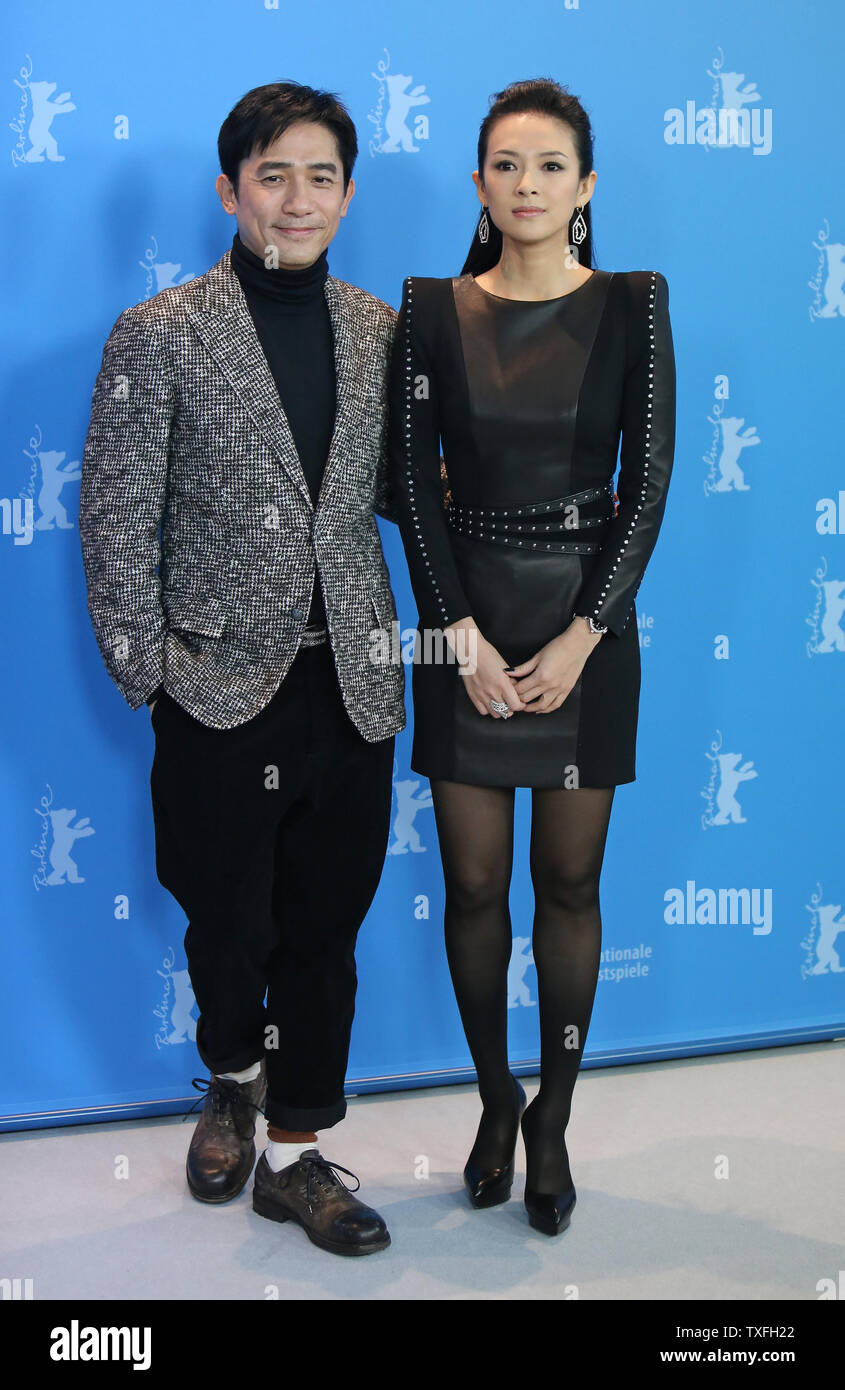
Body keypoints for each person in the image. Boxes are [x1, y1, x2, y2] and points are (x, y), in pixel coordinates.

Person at [79, 81, 406, 1258]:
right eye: (273, 174)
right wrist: (150, 670)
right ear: (231, 191)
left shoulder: (379, 331)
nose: (298, 197)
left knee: (327, 923)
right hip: (216, 684)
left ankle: (298, 1154)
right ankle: (231, 1075)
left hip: (353, 682)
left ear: (347, 194)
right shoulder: (160, 331)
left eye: (321, 176)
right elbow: (116, 519)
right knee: (226, 917)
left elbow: (400, 503)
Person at [388, 78, 676, 1236]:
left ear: (585, 184)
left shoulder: (632, 303)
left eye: (549, 165)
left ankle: (552, 1111)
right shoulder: (425, 309)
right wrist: (452, 632)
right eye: (504, 165)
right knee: (469, 887)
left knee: (566, 885)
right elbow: (411, 488)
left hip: (585, 631)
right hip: (459, 626)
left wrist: (579, 635)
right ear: (477, 183)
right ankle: (494, 1099)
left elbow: (644, 486)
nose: (525, 186)